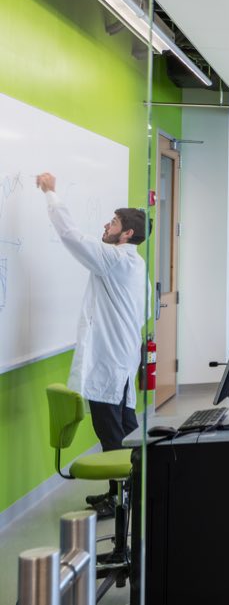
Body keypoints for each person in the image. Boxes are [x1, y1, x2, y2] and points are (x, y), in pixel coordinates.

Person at [37, 173, 147, 518]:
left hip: (111, 361)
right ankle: (125, 494)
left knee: (112, 434)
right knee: (124, 429)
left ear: (126, 234)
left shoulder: (116, 259)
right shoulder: (132, 262)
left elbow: (71, 236)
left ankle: (122, 502)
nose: (107, 224)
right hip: (122, 358)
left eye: (113, 222)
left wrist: (52, 193)